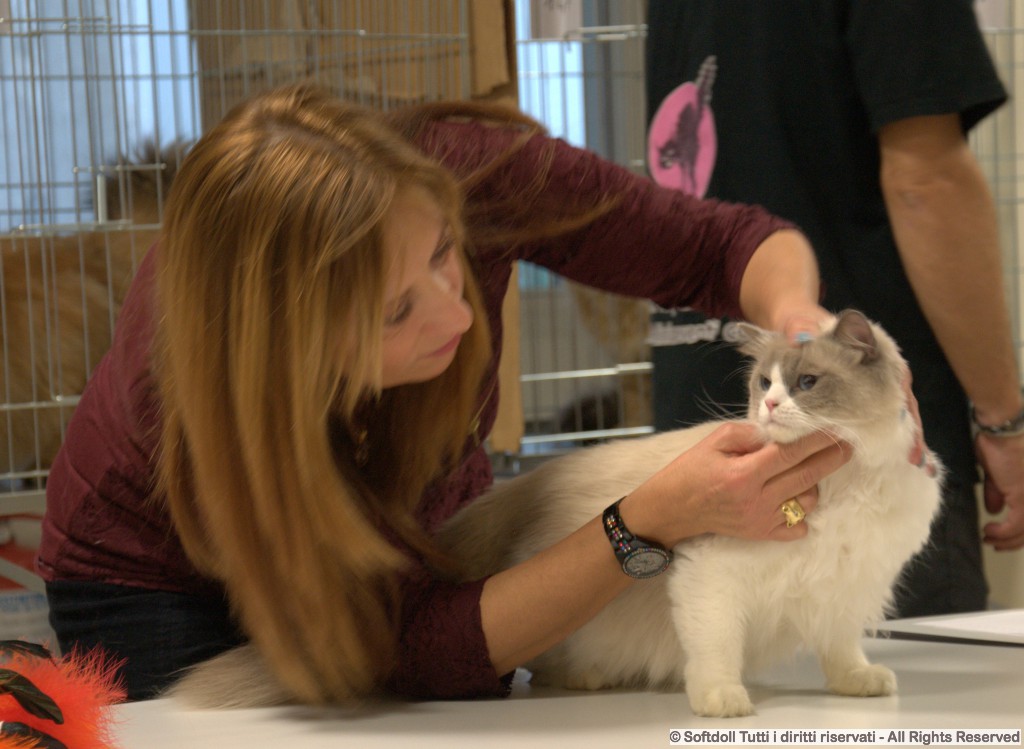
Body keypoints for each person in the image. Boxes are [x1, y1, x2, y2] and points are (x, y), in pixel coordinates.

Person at [36, 83, 854, 704]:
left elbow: (722, 246)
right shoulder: (211, 400)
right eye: (396, 311)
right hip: (154, 578)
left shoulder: (474, 172)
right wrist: (644, 523)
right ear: (301, 355)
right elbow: (410, 649)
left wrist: (802, 327)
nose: (458, 314)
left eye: (442, 253)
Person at [645, 0, 1024, 617]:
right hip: (863, 456)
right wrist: (1004, 420)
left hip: (702, 438)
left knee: (736, 669)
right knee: (893, 673)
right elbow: (925, 181)